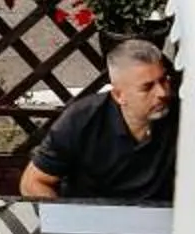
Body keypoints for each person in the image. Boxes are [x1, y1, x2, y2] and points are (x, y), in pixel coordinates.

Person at [19, 38, 178, 203]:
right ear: (119, 95)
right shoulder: (81, 120)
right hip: (90, 216)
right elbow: (33, 182)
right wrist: (68, 221)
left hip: (159, 219)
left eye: (164, 80)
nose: (162, 92)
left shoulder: (184, 116)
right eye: (147, 87)